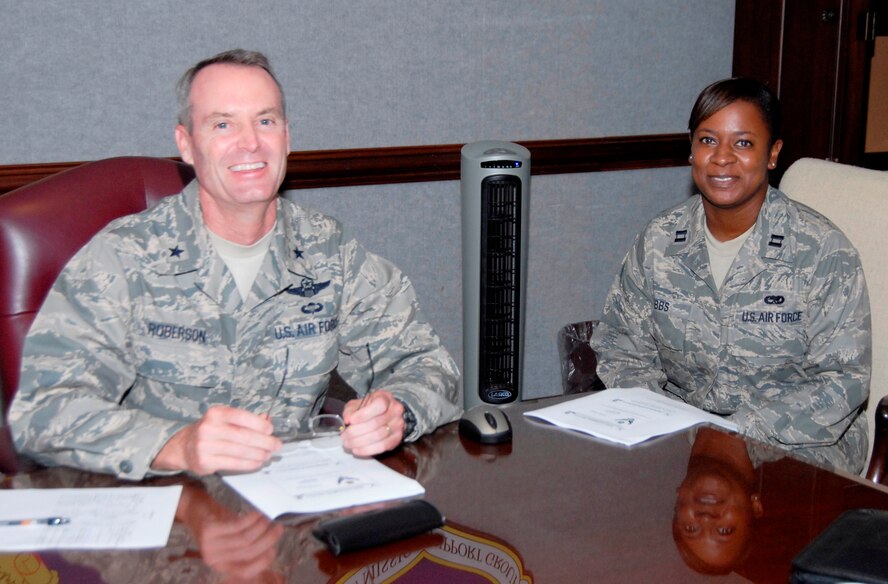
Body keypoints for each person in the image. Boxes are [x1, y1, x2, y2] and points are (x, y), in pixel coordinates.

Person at [8, 49, 461, 479]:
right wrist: (176, 444)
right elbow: (44, 412)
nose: (250, 143)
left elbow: (427, 364)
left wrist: (397, 410)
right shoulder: (125, 257)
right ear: (186, 144)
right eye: (222, 124)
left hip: (296, 520)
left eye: (265, 121)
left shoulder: (330, 252)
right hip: (167, 520)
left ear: (287, 137)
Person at [590, 77, 871, 474]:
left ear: (772, 154)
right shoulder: (659, 240)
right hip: (683, 432)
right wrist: (661, 417)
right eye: (707, 140)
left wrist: (735, 432)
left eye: (743, 143)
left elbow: (844, 382)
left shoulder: (821, 251)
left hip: (799, 442)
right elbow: (621, 346)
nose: (722, 158)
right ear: (691, 150)